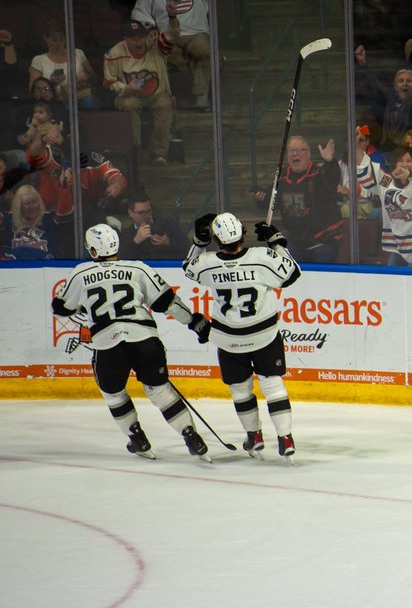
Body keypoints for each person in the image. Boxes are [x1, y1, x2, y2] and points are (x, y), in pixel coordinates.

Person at [52, 223, 211, 460]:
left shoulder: (80, 272)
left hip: (108, 345)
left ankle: (138, 439)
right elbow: (166, 302)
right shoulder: (138, 269)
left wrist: (86, 316)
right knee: (160, 392)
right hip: (144, 339)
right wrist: (194, 321)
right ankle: (191, 436)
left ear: (93, 250)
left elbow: (60, 309)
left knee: (114, 394)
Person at [183, 213, 302, 461]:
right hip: (264, 334)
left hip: (229, 339)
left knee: (240, 389)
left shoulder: (206, 263)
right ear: (243, 233)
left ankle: (254, 436)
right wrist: (277, 242)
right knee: (272, 385)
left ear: (216, 239)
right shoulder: (262, 258)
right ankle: (285, 438)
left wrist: (198, 242)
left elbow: (188, 269)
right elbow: (291, 274)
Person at [130, 0, 212, 109]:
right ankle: (166, 100)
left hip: (196, 36)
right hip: (168, 38)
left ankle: (201, 96)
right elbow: (139, 17)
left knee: (202, 48)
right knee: (158, 51)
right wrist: (152, 33)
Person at [252, 136, 343, 263]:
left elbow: (331, 181)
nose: (296, 154)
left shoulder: (318, 173)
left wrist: (330, 162)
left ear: (309, 154)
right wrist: (262, 199)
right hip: (296, 242)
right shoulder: (283, 177)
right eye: (292, 150)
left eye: (301, 150)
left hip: (323, 241)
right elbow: (273, 201)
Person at [102, 19, 174, 165]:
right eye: (134, 39)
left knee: (164, 103)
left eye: (141, 37)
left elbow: (172, 36)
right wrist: (125, 88)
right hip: (128, 95)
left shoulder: (154, 45)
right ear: (125, 39)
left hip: (156, 94)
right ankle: (135, 153)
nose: (139, 42)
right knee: (130, 105)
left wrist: (172, 17)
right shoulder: (114, 53)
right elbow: (108, 82)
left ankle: (160, 154)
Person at [28, 21, 98, 110]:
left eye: (61, 39)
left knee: (89, 101)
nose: (58, 43)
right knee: (63, 106)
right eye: (54, 40)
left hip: (80, 96)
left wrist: (86, 77)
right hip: (54, 101)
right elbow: (33, 90)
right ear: (46, 38)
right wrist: (51, 83)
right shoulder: (39, 60)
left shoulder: (77, 53)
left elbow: (94, 79)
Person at [121, 188, 185, 261]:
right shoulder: (126, 234)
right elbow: (121, 259)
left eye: (148, 211)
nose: (146, 215)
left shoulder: (168, 225)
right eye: (141, 213)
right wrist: (136, 241)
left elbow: (186, 250)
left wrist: (168, 242)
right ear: (130, 213)